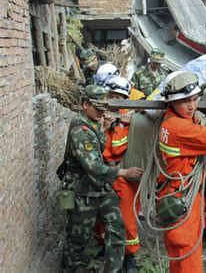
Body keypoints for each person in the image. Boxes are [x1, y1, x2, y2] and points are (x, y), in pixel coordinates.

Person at [60, 85, 143, 272]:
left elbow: (100, 149)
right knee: (78, 240)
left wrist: (104, 128)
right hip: (83, 192)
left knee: (117, 228)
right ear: (85, 104)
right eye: (97, 109)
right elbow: (93, 166)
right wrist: (123, 173)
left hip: (101, 189)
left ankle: (113, 268)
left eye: (103, 109)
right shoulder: (79, 129)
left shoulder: (95, 123)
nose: (101, 113)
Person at [157, 71, 206, 272]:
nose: (192, 106)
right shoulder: (179, 128)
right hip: (182, 203)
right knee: (188, 260)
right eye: (185, 101)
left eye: (194, 99)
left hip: (179, 198)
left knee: (181, 260)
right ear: (171, 102)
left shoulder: (170, 120)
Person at [92, 76, 141, 272]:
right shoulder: (95, 119)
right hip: (101, 173)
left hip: (124, 175)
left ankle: (130, 256)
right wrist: (103, 127)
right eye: (111, 96)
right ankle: (105, 246)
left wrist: (133, 121)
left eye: (120, 97)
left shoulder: (132, 121)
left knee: (127, 218)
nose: (115, 100)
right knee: (100, 217)